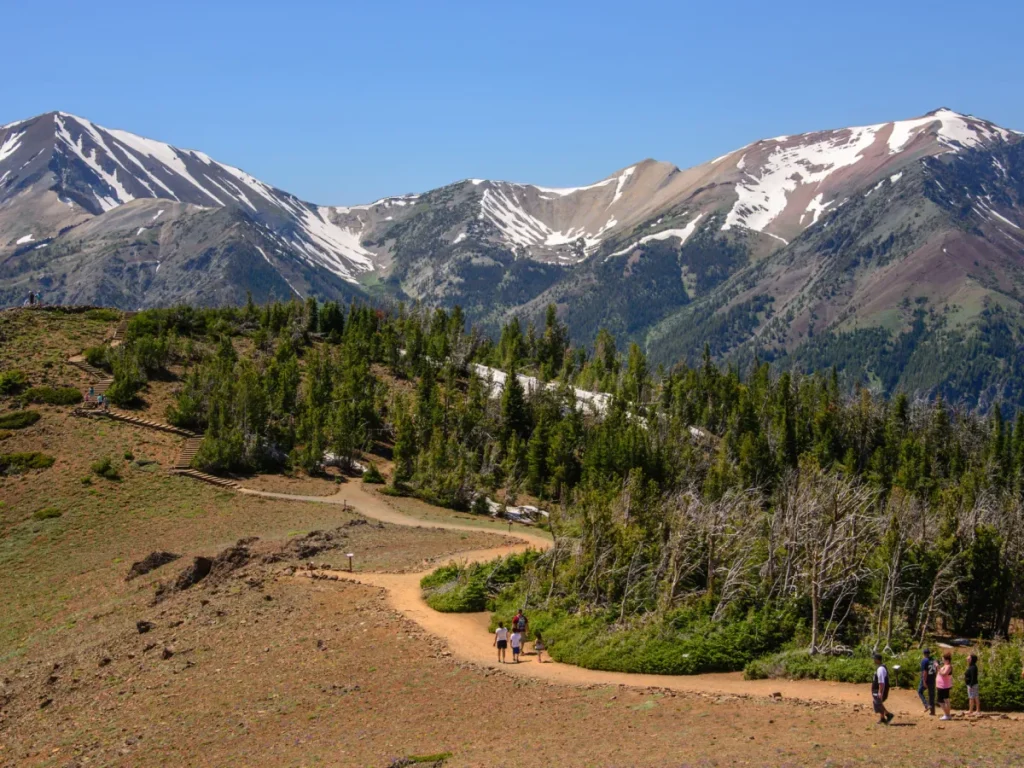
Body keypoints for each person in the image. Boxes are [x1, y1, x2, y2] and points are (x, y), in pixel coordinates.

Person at [871, 652, 894, 725]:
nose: (873, 660)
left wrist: (880, 692)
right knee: (878, 703)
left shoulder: (880, 669)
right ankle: (882, 718)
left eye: (874, 659)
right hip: (877, 689)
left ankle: (888, 714)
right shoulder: (880, 667)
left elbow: (881, 682)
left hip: (879, 689)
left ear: (877, 660)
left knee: (877, 703)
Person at [918, 648, 937, 715]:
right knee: (932, 695)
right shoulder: (934, 660)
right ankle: (933, 711)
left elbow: (925, 672)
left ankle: (926, 705)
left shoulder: (924, 661)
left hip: (926, 679)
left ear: (924, 654)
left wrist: (924, 681)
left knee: (920, 691)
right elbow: (937, 669)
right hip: (932, 679)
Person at [936, 651, 954, 720]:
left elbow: (943, 674)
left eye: (943, 658)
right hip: (941, 686)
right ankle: (947, 714)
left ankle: (947, 714)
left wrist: (938, 667)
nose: (942, 660)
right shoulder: (945, 666)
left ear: (946, 659)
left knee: (942, 700)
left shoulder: (948, 666)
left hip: (944, 686)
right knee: (945, 700)